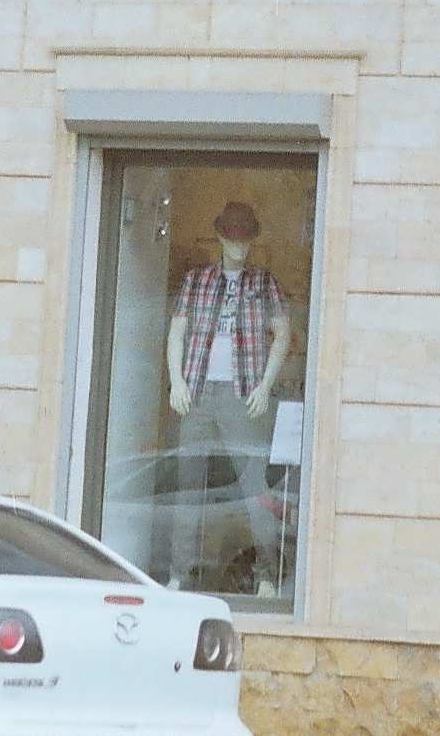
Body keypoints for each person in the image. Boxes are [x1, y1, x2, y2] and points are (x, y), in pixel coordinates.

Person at [164, 201, 291, 595]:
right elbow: (176, 333)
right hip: (198, 392)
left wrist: (264, 386)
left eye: (245, 238)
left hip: (242, 392)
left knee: (254, 486)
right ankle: (180, 573)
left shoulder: (264, 283)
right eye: (233, 238)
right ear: (220, 237)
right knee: (188, 487)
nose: (239, 245)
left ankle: (266, 575)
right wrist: (177, 382)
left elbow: (282, 335)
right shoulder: (196, 281)